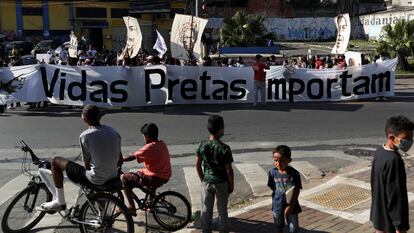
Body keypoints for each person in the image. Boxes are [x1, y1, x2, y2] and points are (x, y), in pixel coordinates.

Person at [38, 104, 122, 212]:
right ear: (100, 117)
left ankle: (60, 201)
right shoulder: (113, 131)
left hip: (96, 178)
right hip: (113, 175)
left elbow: (86, 164)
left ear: (84, 119)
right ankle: (102, 215)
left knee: (55, 161)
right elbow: (120, 160)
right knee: (98, 176)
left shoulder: (85, 136)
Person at [370, 115, 413, 233]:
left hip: (379, 217)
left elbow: (374, 183)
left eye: (411, 138)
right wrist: (400, 226)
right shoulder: (394, 160)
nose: (410, 141)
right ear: (392, 137)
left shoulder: (379, 152)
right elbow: (395, 196)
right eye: (406, 138)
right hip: (390, 224)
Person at [120, 123, 171, 216]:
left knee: (124, 178)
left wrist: (120, 159)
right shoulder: (162, 143)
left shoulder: (149, 147)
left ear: (147, 136)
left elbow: (132, 156)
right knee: (143, 175)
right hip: (165, 175)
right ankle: (150, 203)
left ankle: (132, 207)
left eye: (143, 136)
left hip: (155, 177)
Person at [196, 115, 234, 233]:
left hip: (207, 181)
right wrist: (231, 185)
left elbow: (197, 165)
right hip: (221, 182)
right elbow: (229, 170)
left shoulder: (202, 145)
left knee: (206, 209)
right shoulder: (224, 148)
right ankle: (224, 229)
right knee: (222, 209)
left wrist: (203, 178)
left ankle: (206, 230)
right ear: (221, 129)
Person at [268, 145, 302, 233]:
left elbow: (297, 190)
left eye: (282, 161)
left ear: (289, 160)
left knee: (293, 228)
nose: (278, 164)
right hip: (277, 205)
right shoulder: (272, 173)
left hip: (292, 205)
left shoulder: (294, 174)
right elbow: (273, 187)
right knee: (278, 226)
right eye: (276, 160)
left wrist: (290, 206)